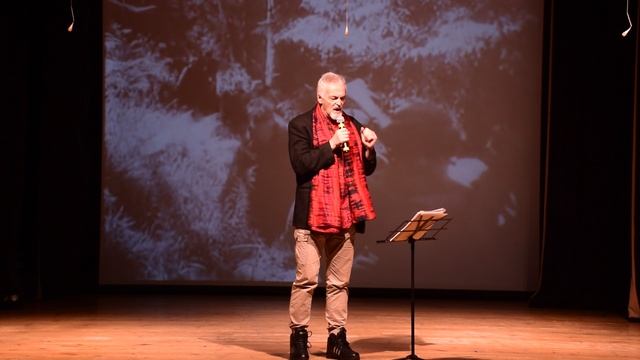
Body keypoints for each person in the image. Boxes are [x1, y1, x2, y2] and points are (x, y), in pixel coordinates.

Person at [287, 72, 378, 360]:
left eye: (343, 98)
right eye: (334, 98)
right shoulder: (300, 125)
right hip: (312, 218)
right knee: (307, 280)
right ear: (320, 98)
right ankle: (299, 339)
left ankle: (336, 339)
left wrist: (369, 149)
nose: (339, 103)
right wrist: (331, 145)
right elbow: (301, 165)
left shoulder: (352, 125)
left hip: (345, 217)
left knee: (339, 284)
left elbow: (367, 169)